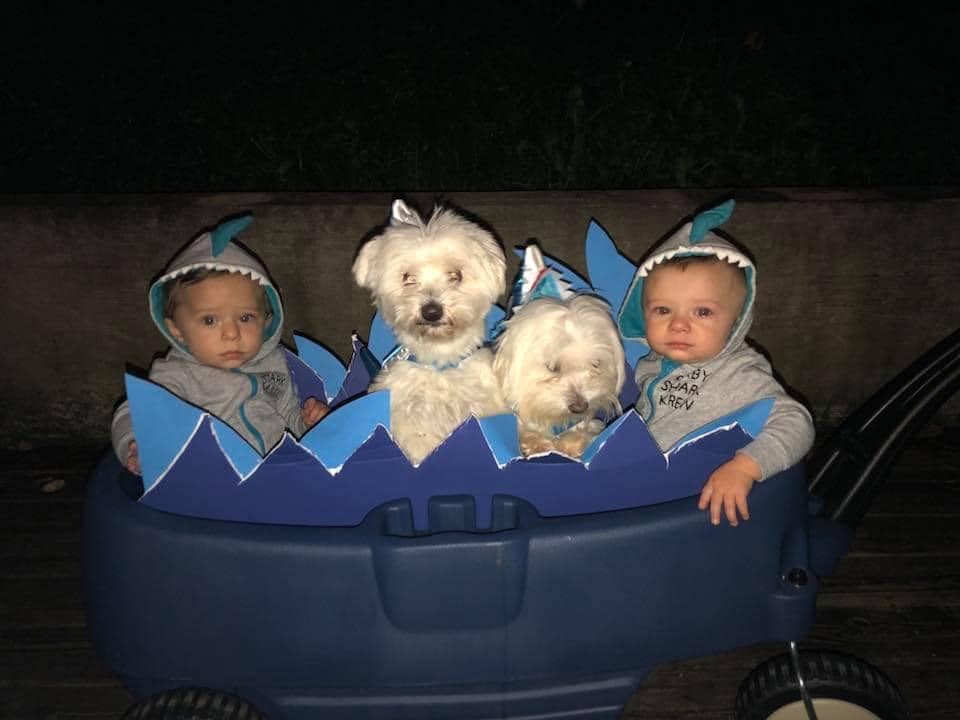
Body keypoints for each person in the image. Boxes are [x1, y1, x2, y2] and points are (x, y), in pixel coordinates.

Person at [618, 200, 814, 526]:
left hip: (699, 506)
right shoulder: (652, 365)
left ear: (737, 320)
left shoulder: (738, 373)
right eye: (663, 310)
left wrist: (746, 467)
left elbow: (797, 421)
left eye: (703, 312)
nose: (679, 325)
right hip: (650, 492)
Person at [111, 215, 328, 474]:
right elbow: (135, 411)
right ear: (177, 330)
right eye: (210, 320)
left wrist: (310, 423)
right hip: (209, 481)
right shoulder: (175, 376)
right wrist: (135, 443)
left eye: (245, 318)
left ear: (267, 321)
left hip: (275, 473)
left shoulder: (275, 363)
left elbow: (289, 416)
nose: (231, 334)